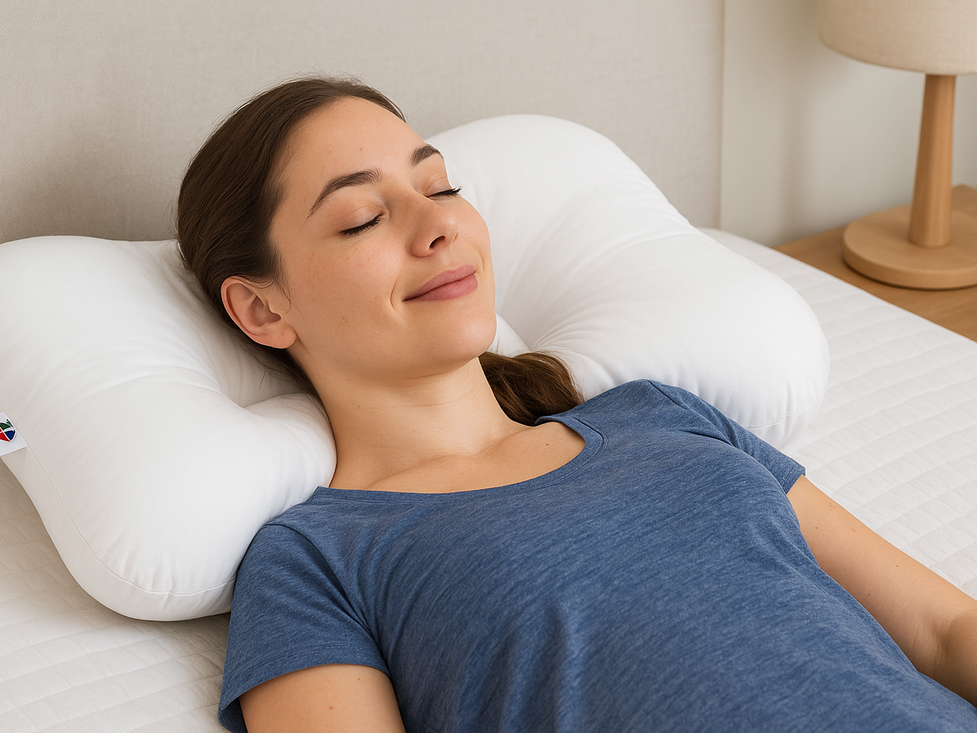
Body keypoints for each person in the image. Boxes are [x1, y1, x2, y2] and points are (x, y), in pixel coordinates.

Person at [177, 77, 977, 732]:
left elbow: (944, 634)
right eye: (363, 218)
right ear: (262, 309)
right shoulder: (317, 559)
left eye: (440, 185)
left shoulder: (660, 413)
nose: (439, 226)